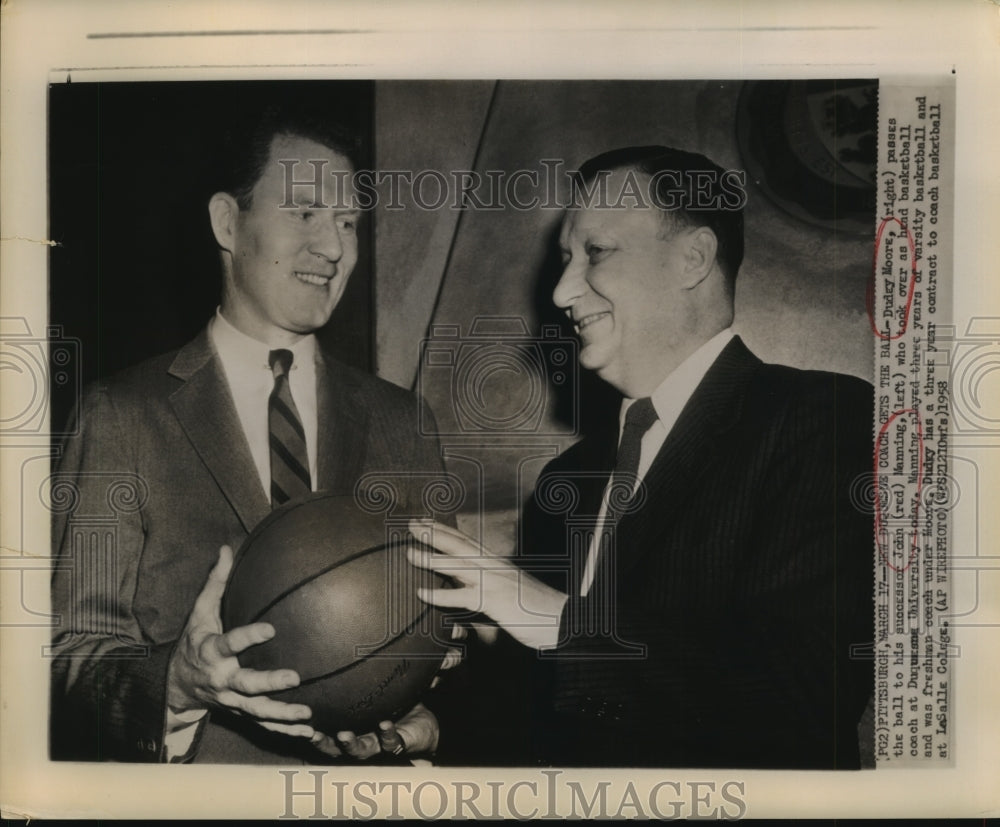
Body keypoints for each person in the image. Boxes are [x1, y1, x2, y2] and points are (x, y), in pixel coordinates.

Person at [409, 145, 875, 769]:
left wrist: (556, 619)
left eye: (596, 253)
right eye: (565, 260)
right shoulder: (567, 478)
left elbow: (811, 692)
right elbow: (546, 704)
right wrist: (430, 730)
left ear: (693, 258)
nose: (561, 291)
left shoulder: (823, 419)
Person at [50, 105, 447, 764]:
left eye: (348, 222)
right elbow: (71, 649)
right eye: (305, 213)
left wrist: (418, 708)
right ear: (227, 223)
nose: (333, 246)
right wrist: (175, 685)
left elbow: (436, 625)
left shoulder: (403, 420)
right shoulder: (121, 414)